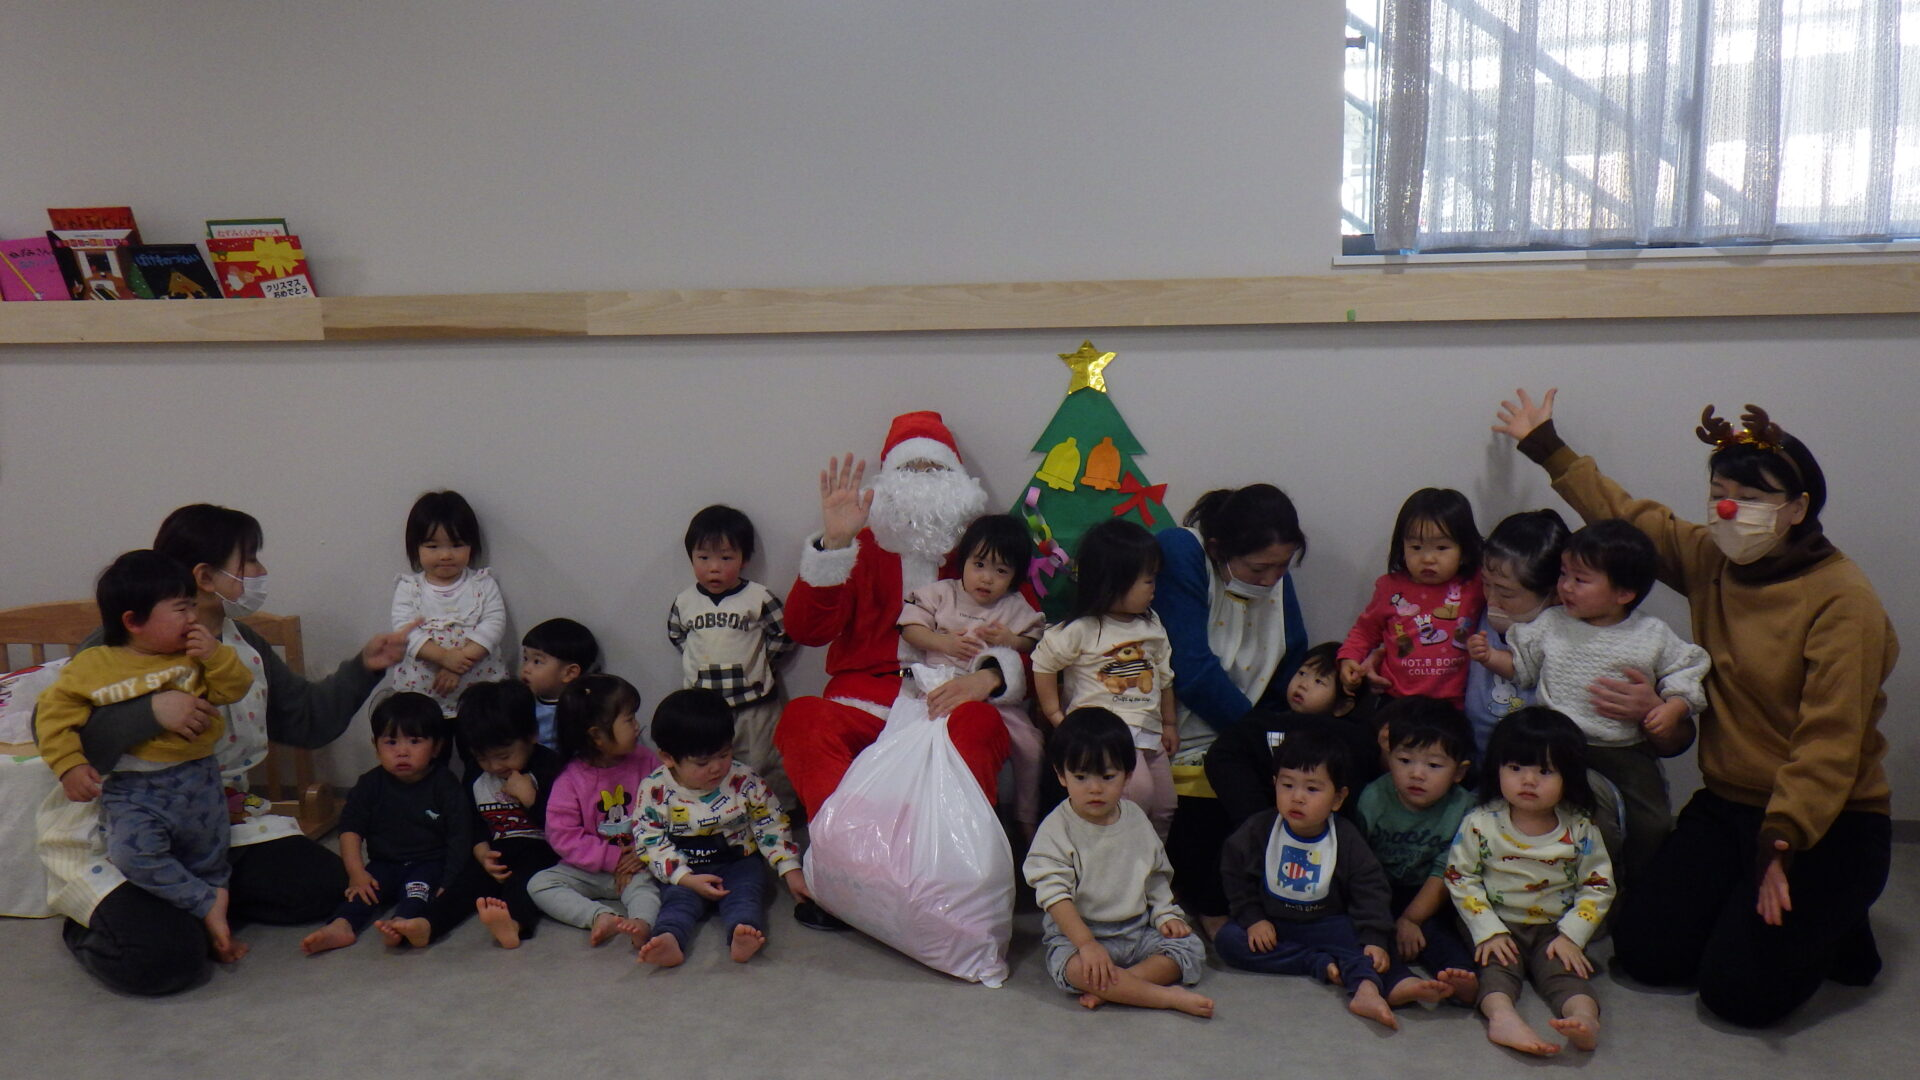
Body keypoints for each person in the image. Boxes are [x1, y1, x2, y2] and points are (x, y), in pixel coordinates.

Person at [1494, 390, 1898, 1027]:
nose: (1729, 509)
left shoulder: (1843, 602)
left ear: (1798, 508)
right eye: (1719, 494)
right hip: (1729, 802)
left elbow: (1831, 739)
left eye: (1752, 497)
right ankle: (1772, 907)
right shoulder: (1714, 559)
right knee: (1646, 955)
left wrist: (1782, 842)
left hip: (1822, 819)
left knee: (1737, 996)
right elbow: (1630, 519)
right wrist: (1547, 446)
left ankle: (1837, 915)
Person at [36, 503, 415, 996]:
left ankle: (195, 903)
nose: (259, 572)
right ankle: (111, 920)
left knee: (324, 886)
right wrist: (151, 712)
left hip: (210, 817)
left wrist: (365, 667)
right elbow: (58, 728)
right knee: (165, 962)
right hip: (127, 826)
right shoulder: (114, 645)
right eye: (249, 560)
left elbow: (305, 718)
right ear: (205, 576)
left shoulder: (239, 643)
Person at [774, 412, 1018, 929]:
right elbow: (805, 630)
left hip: (947, 697)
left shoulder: (985, 556)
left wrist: (990, 677)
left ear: (957, 482)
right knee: (803, 720)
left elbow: (1033, 635)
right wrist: (833, 547)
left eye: (935, 470)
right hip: (864, 698)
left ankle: (951, 879)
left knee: (980, 726)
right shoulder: (859, 547)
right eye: (911, 470)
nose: (922, 483)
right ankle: (847, 871)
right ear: (887, 482)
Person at [36, 550, 255, 964]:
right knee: (133, 855)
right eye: (180, 609)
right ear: (133, 621)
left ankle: (215, 915)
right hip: (137, 788)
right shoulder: (94, 665)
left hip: (200, 779)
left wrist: (216, 655)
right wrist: (70, 765)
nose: (192, 617)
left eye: (192, 606)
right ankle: (203, 903)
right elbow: (53, 719)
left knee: (210, 856)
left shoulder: (194, 655)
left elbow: (234, 688)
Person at [1468, 519, 1708, 885]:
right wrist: (1490, 658)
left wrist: (1671, 707)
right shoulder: (1551, 622)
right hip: (1557, 747)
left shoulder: (1651, 633)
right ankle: (1578, 885)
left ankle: (1632, 885)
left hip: (1624, 749)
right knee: (1580, 824)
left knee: (1652, 824)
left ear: (1624, 593)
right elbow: (1522, 668)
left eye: (1579, 580)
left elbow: (1687, 670)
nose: (1565, 586)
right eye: (1563, 574)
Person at [1217, 726, 1453, 1030]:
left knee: (1370, 947)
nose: (1297, 797)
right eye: (1287, 785)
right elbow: (1235, 874)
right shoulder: (1258, 830)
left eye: (1312, 789)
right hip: (1274, 925)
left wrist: (1374, 937)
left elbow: (1370, 889)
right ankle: (1317, 962)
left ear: (1338, 798)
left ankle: (1380, 987)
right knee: (1228, 941)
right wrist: (1253, 918)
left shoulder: (1345, 838)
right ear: (1274, 784)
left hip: (1327, 923)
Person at [1151, 484, 1311, 931]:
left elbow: (1291, 661)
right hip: (1183, 724)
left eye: (1282, 567)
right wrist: (1257, 737)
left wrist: (1280, 735)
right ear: (1219, 549)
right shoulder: (1182, 550)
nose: (1271, 580)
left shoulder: (1274, 575)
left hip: (1249, 724)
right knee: (1218, 798)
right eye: (1259, 568)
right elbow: (1192, 669)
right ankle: (1214, 908)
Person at [1444, 707, 1613, 1056]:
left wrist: (1572, 935)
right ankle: (1502, 1017)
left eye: (1545, 771)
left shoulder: (1580, 827)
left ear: (1569, 775)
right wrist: (1488, 929)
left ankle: (1584, 1019)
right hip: (1497, 922)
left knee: (1566, 974)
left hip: (1555, 928)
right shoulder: (1481, 822)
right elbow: (1461, 878)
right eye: (1515, 768)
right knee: (1495, 972)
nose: (1528, 781)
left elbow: (1597, 885)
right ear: (1497, 769)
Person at [1022, 707, 1211, 1017]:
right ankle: (1163, 997)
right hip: (1079, 933)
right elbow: (1054, 897)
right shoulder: (1057, 827)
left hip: (1137, 928)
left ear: (1128, 774)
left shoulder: (1135, 817)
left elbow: (1154, 874)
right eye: (1081, 777)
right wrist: (1086, 944)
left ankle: (1117, 987)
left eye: (1108, 777)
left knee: (1189, 947)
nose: (1095, 788)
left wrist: (1164, 914)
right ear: (1061, 775)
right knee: (1075, 969)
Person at [633, 688, 809, 967]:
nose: (717, 768)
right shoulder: (655, 789)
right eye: (702, 762)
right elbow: (649, 840)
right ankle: (669, 937)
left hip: (738, 861)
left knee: (747, 895)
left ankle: (742, 931)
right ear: (668, 758)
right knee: (677, 902)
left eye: (724, 754)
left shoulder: (744, 780)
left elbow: (771, 823)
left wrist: (790, 869)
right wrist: (684, 877)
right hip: (686, 866)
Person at [381, 680, 562, 949]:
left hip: (540, 849)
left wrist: (531, 799)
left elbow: (564, 825)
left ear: (532, 735)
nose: (494, 766)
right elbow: (472, 819)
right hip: (496, 849)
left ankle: (513, 923)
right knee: (464, 884)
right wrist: (481, 851)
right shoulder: (476, 773)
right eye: (482, 757)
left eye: (504, 756)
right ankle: (428, 925)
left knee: (527, 883)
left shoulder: (549, 766)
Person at [898, 513, 1044, 838]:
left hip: (994, 700)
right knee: (914, 741)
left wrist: (1010, 640)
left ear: (1015, 577)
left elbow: (1033, 642)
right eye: (979, 564)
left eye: (1001, 571)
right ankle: (916, 816)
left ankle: (1025, 815)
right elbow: (910, 629)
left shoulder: (1014, 606)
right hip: (939, 688)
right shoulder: (941, 593)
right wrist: (943, 642)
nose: (987, 578)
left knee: (1031, 744)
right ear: (962, 560)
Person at [1033, 519, 1179, 839]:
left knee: (1165, 805)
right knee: (1137, 794)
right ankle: (1119, 857)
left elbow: (1164, 677)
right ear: (1114, 582)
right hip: (1107, 735)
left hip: (1149, 732)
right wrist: (1055, 714)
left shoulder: (1151, 624)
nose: (1154, 588)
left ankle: (1152, 860)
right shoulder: (1082, 628)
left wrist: (1169, 724)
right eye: (1148, 580)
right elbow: (1043, 662)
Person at [301, 693, 469, 954]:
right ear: (376, 746)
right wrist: (357, 873)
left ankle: (403, 923)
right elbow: (350, 830)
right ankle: (341, 926)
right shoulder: (370, 784)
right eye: (391, 742)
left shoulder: (445, 784)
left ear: (437, 747)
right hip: (384, 863)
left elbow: (460, 835)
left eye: (415, 741)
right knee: (361, 892)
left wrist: (449, 881)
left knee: (417, 893)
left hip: (429, 863)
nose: (402, 751)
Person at [667, 504, 796, 812]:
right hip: (705, 707)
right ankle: (726, 814)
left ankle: (781, 811)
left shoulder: (757, 598)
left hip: (755, 703)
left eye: (726, 558)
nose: (714, 568)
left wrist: (763, 663)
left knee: (764, 759)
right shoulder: (685, 602)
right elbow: (678, 636)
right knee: (712, 762)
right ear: (691, 558)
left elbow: (784, 633)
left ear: (744, 559)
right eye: (704, 558)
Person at [525, 674, 663, 955]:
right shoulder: (570, 778)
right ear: (597, 735)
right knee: (539, 884)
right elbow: (562, 835)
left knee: (648, 889)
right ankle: (599, 916)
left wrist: (644, 853)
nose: (637, 726)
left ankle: (641, 923)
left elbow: (665, 810)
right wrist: (612, 858)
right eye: (629, 720)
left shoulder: (647, 760)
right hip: (587, 870)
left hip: (636, 865)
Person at [1352, 697, 1478, 1003]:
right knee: (1369, 938)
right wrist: (1382, 916)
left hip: (1431, 895)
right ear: (1388, 756)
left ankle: (1459, 977)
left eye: (1433, 765)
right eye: (1405, 760)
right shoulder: (1373, 798)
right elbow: (1358, 866)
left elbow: (1446, 870)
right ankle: (1398, 981)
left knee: (1440, 933)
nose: (1417, 774)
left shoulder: (1464, 808)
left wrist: (1412, 919)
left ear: (1459, 772)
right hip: (1375, 891)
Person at [1338, 488, 1485, 708]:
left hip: (1454, 704)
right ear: (1402, 547)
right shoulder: (1390, 587)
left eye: (1442, 547)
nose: (1428, 558)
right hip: (1396, 699)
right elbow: (1365, 631)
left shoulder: (1475, 584)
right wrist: (1349, 658)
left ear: (1464, 551)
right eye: (1416, 547)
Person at [1204, 641, 1376, 829]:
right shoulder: (1262, 722)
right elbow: (1222, 755)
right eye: (1302, 673)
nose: (1303, 684)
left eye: (1319, 681)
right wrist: (1258, 825)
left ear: (1343, 706)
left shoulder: (1352, 737)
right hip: (1262, 828)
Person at [387, 490, 511, 716]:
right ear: (416, 547)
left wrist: (458, 664)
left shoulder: (483, 584)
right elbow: (406, 632)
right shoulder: (409, 588)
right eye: (433, 546)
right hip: (423, 694)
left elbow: (494, 624)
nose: (445, 555)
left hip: (480, 693)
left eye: (456, 545)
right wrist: (444, 658)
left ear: (471, 545)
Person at [1464, 510, 1570, 755]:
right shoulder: (1475, 611)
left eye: (1506, 593)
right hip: (1475, 759)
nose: (1492, 599)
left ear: (1554, 593)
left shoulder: (1564, 635)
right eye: (1486, 584)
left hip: (1531, 763)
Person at [519, 617, 599, 750]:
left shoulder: (575, 711)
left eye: (537, 661)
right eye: (525, 658)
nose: (526, 669)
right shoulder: (523, 698)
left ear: (569, 673)